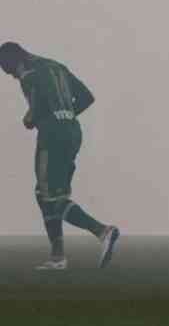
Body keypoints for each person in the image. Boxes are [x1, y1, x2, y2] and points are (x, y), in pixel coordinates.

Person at [0, 42, 120, 270]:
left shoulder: (28, 74)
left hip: (51, 136)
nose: (13, 77)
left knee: (49, 197)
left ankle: (102, 231)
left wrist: (28, 119)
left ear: (16, 60)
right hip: (73, 133)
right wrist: (64, 115)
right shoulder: (56, 66)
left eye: (9, 71)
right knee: (50, 194)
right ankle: (57, 257)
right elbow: (86, 97)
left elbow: (35, 111)